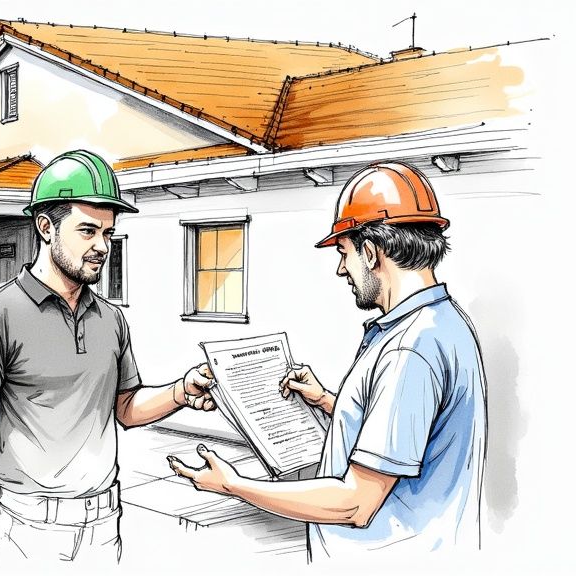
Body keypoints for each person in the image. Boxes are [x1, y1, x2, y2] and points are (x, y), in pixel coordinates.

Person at [168, 162, 487, 557]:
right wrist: (325, 400)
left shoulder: (411, 347)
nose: (341, 269)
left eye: (344, 253)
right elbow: (406, 433)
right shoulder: (441, 324)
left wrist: (234, 484)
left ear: (370, 252)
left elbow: (356, 502)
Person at [0, 150, 215, 565]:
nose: (102, 246)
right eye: (88, 231)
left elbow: (125, 408)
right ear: (45, 227)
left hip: (103, 528)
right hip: (22, 530)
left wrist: (181, 391)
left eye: (108, 233)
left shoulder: (112, 319)